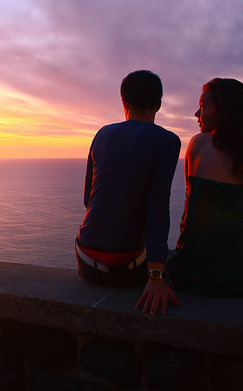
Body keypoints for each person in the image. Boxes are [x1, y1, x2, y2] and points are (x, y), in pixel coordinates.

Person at [166, 78, 243, 295]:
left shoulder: (197, 144)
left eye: (203, 107)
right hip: (240, 274)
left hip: (191, 270)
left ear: (224, 110)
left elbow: (190, 214)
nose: (196, 114)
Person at [77, 70, 181, 316]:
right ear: (158, 104)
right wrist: (156, 276)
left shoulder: (102, 134)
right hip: (128, 269)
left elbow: (87, 200)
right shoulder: (168, 141)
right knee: (181, 263)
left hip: (86, 260)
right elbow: (158, 209)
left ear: (124, 101)